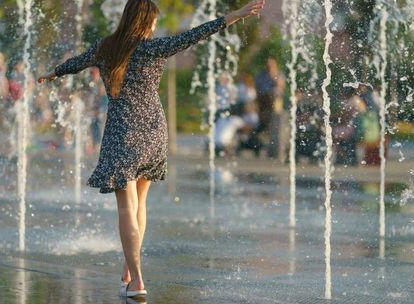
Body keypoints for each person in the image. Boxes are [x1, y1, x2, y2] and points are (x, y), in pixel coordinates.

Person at [38, 0, 265, 298]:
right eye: (154, 22)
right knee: (140, 205)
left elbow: (76, 62)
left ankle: (138, 280)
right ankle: (129, 270)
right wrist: (233, 16)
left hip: (123, 132)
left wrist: (53, 73)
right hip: (153, 131)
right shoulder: (153, 48)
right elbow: (196, 34)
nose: (156, 26)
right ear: (145, 22)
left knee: (125, 208)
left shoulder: (105, 48)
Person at [255, 56, 285, 158]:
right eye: (268, 65)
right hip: (263, 105)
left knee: (275, 129)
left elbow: (280, 86)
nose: (269, 67)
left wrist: (273, 75)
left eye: (271, 64)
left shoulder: (278, 74)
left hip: (275, 106)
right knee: (263, 129)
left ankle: (275, 152)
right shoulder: (261, 75)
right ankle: (262, 149)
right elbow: (257, 86)